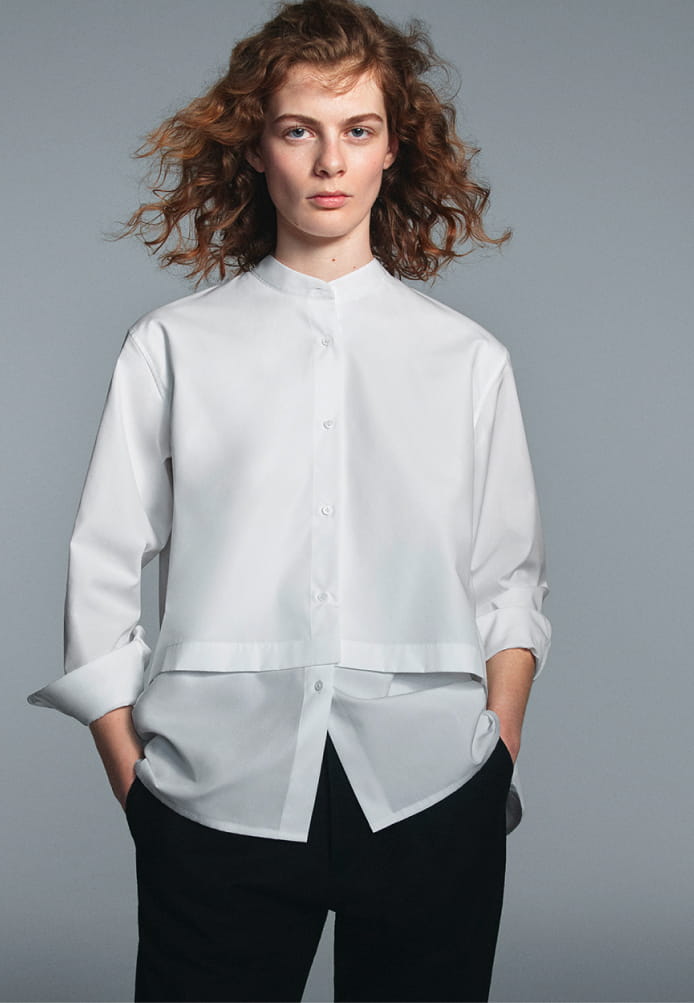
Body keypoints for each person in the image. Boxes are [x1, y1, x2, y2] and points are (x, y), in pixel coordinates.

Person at [27, 1, 552, 1000]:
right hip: (213, 796)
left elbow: (509, 581)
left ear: (393, 147)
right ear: (256, 147)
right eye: (299, 129)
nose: (330, 161)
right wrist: (135, 779)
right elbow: (101, 565)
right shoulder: (173, 347)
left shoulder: (468, 360)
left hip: (432, 792)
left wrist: (497, 751)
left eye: (358, 129)